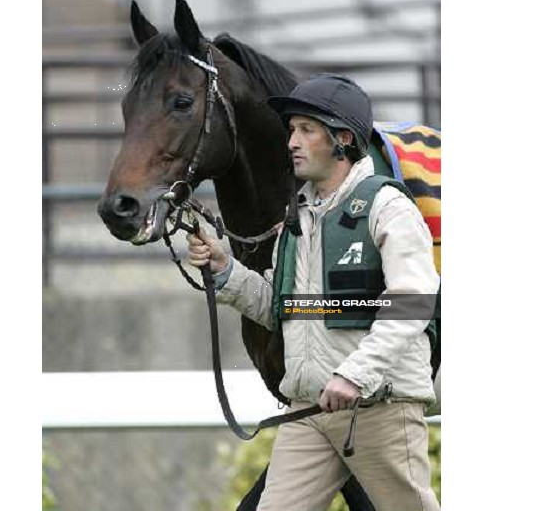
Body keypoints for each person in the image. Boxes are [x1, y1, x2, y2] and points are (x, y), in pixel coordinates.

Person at [187, 74, 441, 511]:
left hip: (379, 408)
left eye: (306, 129)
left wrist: (355, 373)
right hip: (309, 411)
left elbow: (414, 301)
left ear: (342, 139)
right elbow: (281, 309)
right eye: (291, 130)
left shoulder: (388, 207)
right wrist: (225, 269)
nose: (292, 142)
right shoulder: (298, 216)